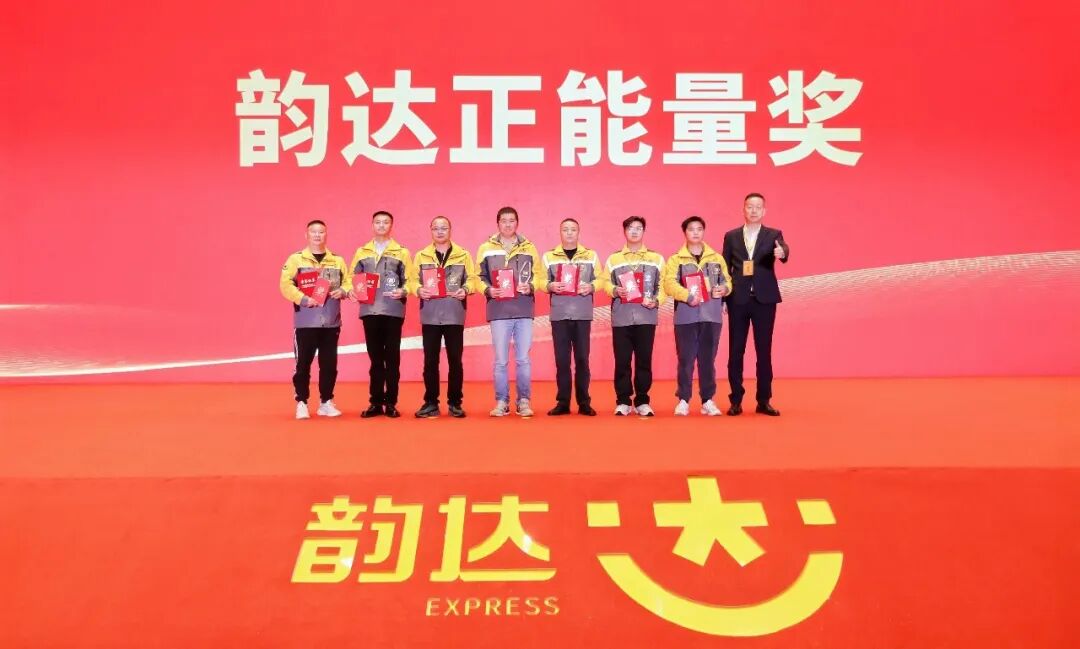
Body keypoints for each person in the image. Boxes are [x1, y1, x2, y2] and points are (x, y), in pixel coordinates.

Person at [722, 193, 790, 416]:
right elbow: (725, 268)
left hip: (764, 300)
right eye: (749, 207)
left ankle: (764, 400)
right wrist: (723, 299)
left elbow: (784, 250)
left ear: (764, 211)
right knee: (736, 351)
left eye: (758, 207)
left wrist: (782, 252)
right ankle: (736, 400)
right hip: (738, 300)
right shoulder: (731, 236)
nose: (753, 210)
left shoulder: (773, 234)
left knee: (764, 351)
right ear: (743, 209)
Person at [278, 220, 352, 419]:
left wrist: (343, 291)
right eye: (314, 232)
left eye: (321, 232)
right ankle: (301, 402)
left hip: (331, 321)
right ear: (307, 235)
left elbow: (349, 281)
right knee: (303, 364)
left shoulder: (337, 260)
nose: (317, 235)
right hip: (306, 322)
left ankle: (326, 402)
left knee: (329, 365)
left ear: (326, 235)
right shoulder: (296, 259)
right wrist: (303, 299)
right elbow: (285, 285)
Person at [408, 216, 478, 418]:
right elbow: (412, 280)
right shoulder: (421, 255)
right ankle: (431, 402)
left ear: (450, 230)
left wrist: (466, 289)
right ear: (431, 231)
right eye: (436, 228)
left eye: (444, 228)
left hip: (454, 314)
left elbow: (473, 279)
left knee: (455, 360)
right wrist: (418, 289)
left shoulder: (463, 254)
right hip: (430, 315)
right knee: (430, 361)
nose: (440, 232)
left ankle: (455, 403)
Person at [476, 206, 542, 417]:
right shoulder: (485, 248)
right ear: (498, 223)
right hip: (498, 310)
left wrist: (530, 286)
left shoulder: (529, 247)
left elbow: (539, 276)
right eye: (503, 220)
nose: (507, 224)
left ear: (517, 223)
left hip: (523, 309)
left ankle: (524, 401)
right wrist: (488, 290)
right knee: (501, 361)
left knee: (523, 359)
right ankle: (501, 401)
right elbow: (478, 277)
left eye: (511, 220)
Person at [663, 216, 732, 416]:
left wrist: (724, 289)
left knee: (707, 360)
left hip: (712, 316)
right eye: (691, 229)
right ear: (685, 232)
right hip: (685, 317)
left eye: (699, 229)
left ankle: (707, 400)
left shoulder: (716, 258)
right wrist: (687, 296)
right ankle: (683, 399)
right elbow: (669, 284)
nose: (695, 232)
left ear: (704, 231)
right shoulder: (676, 259)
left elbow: (727, 280)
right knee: (685, 359)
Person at [348, 211, 412, 419]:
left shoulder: (401, 252)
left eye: (386, 222)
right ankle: (375, 403)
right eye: (378, 222)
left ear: (391, 226)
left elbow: (411, 280)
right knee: (375, 360)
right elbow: (351, 277)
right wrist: (351, 290)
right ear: (372, 225)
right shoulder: (361, 252)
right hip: (369, 310)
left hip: (393, 310)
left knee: (392, 359)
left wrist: (403, 291)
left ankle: (391, 403)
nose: (382, 225)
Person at [602, 216, 666, 417]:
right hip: (621, 317)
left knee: (644, 360)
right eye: (631, 228)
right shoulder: (614, 259)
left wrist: (657, 300)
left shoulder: (656, 258)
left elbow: (662, 285)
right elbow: (605, 282)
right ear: (625, 231)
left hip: (646, 317)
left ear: (644, 232)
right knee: (622, 361)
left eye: (639, 228)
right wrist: (615, 290)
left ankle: (642, 401)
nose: (635, 231)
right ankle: (623, 401)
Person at [542, 218, 601, 416]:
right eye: (565, 230)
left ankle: (584, 402)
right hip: (559, 314)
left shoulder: (591, 255)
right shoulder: (549, 256)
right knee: (562, 360)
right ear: (560, 233)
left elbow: (601, 279)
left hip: (582, 314)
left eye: (573, 229)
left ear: (578, 232)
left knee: (583, 359)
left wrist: (591, 286)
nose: (569, 233)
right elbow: (540, 279)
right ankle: (563, 402)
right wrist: (549, 285)